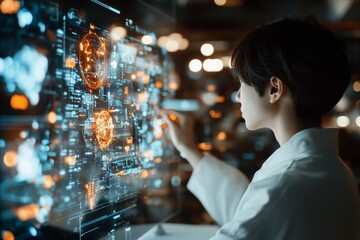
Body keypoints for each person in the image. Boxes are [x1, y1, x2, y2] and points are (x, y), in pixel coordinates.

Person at [161, 16, 360, 240]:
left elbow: (263, 209)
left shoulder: (287, 183)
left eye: (242, 83)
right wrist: (189, 149)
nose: (238, 96)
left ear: (274, 89)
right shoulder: (325, 170)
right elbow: (248, 213)